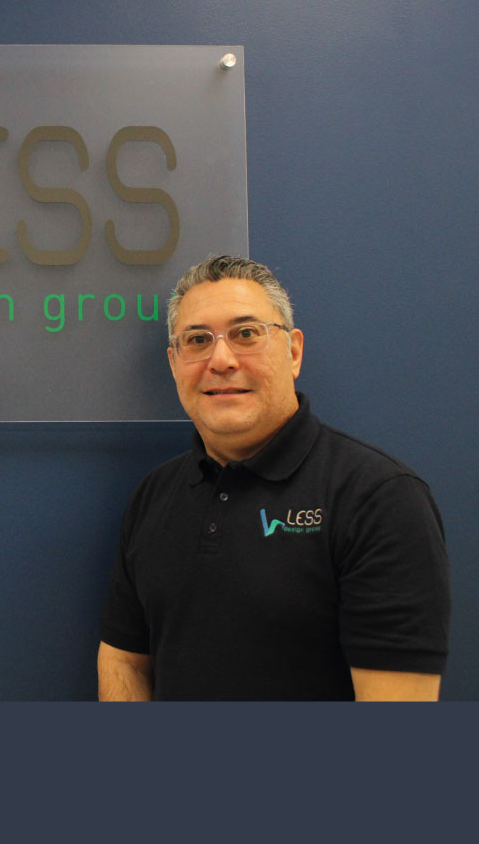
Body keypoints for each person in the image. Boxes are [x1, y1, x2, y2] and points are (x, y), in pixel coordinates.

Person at [98, 255, 450, 701]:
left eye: (246, 334)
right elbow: (124, 660)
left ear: (293, 352)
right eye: (197, 340)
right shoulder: (154, 495)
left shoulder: (378, 499)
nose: (221, 359)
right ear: (174, 362)